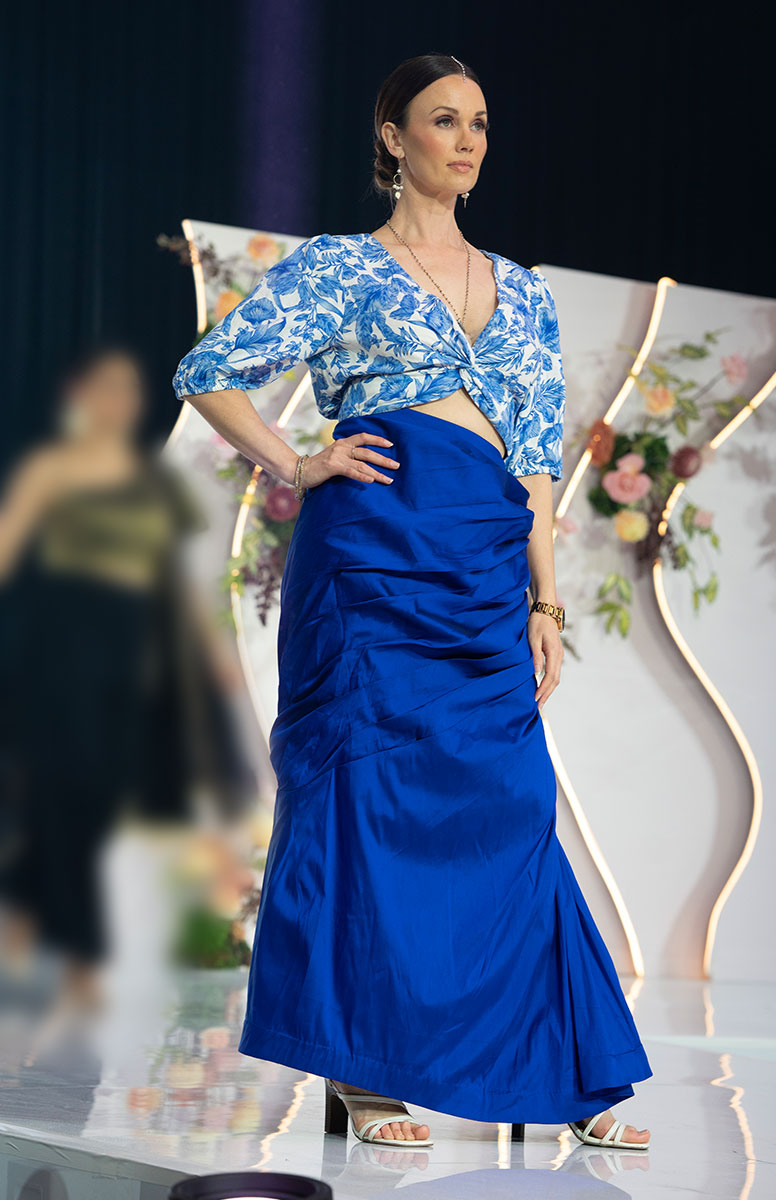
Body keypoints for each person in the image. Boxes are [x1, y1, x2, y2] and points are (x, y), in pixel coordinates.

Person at [172, 53, 653, 1150]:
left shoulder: (523, 288)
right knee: (365, 798)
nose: (468, 140)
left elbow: (535, 460)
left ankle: (563, 1069)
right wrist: (293, 462)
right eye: (444, 121)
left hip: (483, 567)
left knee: (514, 808)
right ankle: (362, 1066)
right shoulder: (343, 267)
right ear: (392, 138)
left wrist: (544, 603)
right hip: (375, 562)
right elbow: (210, 370)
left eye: (481, 122)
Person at [0, 345, 256, 1046]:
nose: (118, 401)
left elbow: (175, 585)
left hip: (134, 663)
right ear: (80, 394)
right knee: (62, 799)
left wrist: (212, 656)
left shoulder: (152, 481)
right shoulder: (53, 468)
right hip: (59, 656)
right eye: (105, 387)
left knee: (105, 805)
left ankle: (53, 940)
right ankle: (67, 961)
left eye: (128, 389)